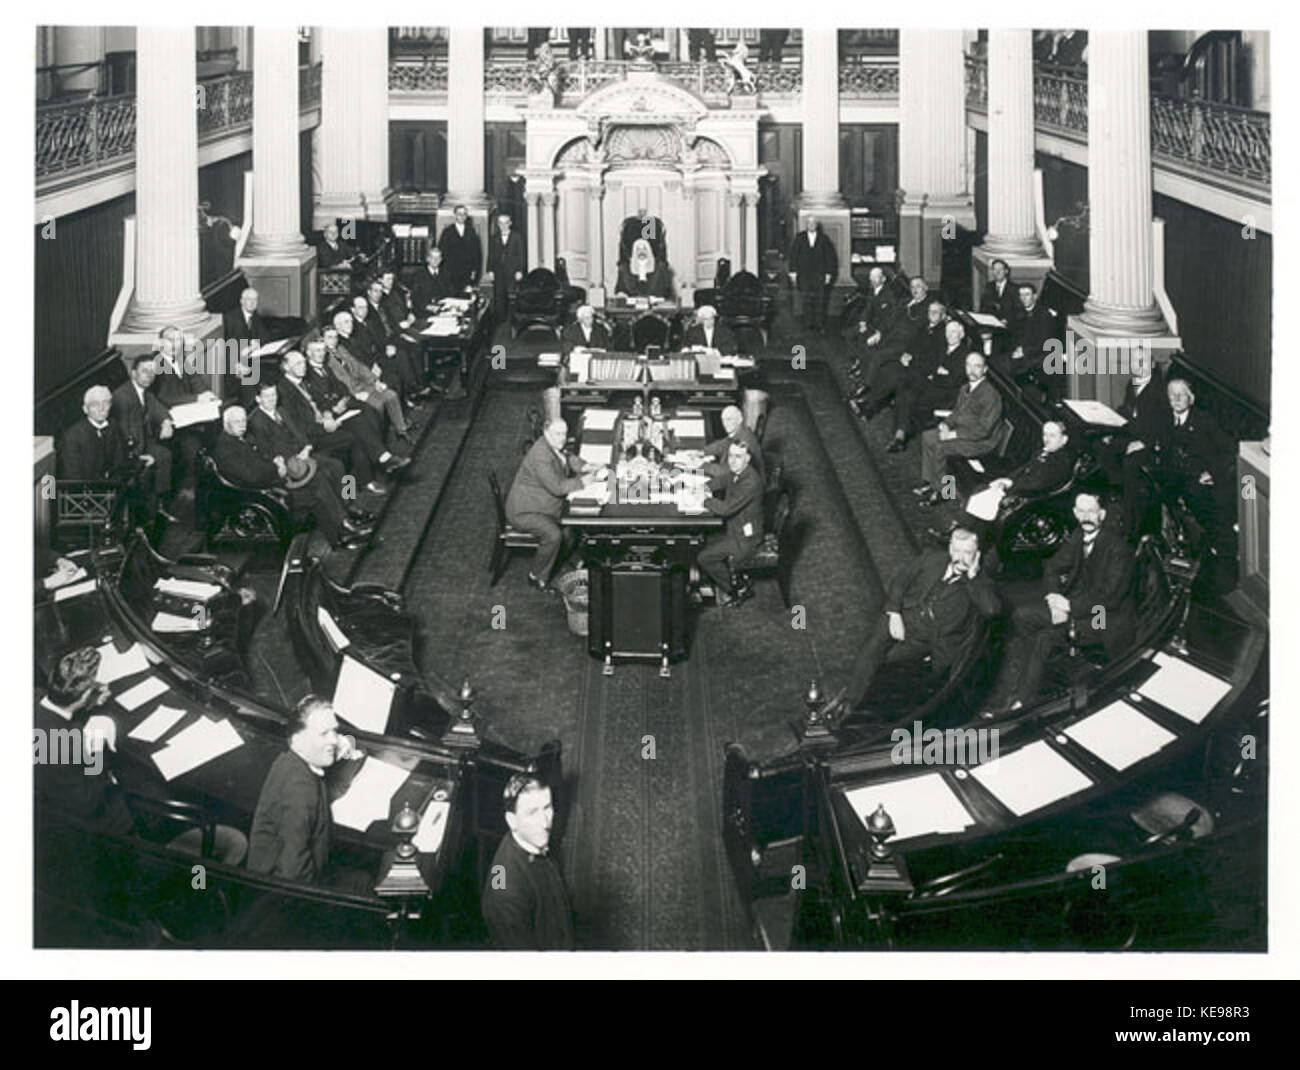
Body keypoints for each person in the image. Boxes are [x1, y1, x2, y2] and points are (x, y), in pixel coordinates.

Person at [36, 645, 247, 863]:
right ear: (86, 695)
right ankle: (190, 874)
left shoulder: (36, 706)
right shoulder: (64, 744)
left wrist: (93, 709)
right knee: (167, 795)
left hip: (59, 808)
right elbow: (88, 801)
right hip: (109, 834)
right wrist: (96, 752)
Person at [987, 492, 1134, 714]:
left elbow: (1109, 599)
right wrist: (1054, 599)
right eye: (1081, 511)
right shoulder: (1077, 535)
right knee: (1021, 616)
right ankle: (1034, 675)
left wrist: (1069, 608)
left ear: (1102, 514)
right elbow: (1052, 567)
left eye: (1091, 512)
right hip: (1071, 605)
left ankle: (1023, 703)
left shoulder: (1118, 548)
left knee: (1045, 638)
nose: (1086, 517)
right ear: (1075, 513)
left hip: (1104, 617)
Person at [844, 528, 999, 708]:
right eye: (956, 551)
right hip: (905, 615)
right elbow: (901, 580)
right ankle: (850, 702)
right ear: (950, 549)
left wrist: (972, 578)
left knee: (888, 663)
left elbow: (991, 610)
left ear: (977, 554)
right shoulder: (931, 559)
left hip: (929, 637)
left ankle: (874, 705)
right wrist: (894, 612)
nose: (961, 558)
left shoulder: (981, 583)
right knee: (873, 647)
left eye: (967, 553)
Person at [213, 405, 369, 550]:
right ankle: (342, 528)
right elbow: (255, 470)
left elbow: (293, 435)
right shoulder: (240, 437)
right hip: (279, 477)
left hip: (297, 459)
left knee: (337, 465)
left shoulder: (272, 417)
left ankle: (349, 505)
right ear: (226, 424)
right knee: (321, 481)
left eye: (243, 421)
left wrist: (300, 449)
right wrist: (278, 465)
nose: (242, 425)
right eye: (237, 422)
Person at [246, 695, 362, 884]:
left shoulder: (291, 759)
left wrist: (344, 742)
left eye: (335, 731)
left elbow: (343, 741)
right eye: (324, 733)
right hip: (285, 894)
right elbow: (294, 873)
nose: (333, 740)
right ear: (297, 740)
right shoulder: (299, 790)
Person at [277, 350, 409, 494]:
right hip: (313, 435)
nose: (303, 366)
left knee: (360, 419)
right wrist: (325, 426)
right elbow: (298, 425)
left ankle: (380, 462)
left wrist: (328, 413)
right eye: (298, 363)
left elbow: (319, 401)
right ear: (287, 367)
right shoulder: (284, 390)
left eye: (303, 361)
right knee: (353, 437)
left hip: (327, 420)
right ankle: (358, 484)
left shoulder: (302, 379)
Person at [480, 774, 575, 950]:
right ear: (512, 820)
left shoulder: (532, 838)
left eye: (547, 807)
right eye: (532, 812)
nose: (545, 822)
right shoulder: (504, 898)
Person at [505, 418, 602, 590]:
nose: (562, 438)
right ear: (546, 433)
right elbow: (557, 487)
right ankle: (536, 576)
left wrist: (585, 466)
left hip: (541, 502)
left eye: (564, 433)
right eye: (558, 434)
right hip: (526, 511)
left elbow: (567, 458)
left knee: (573, 525)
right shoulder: (541, 456)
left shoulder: (552, 444)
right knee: (553, 535)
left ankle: (560, 558)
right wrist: (583, 482)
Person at [914, 352, 1004, 507]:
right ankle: (931, 482)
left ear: (985, 369)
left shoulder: (991, 396)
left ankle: (945, 491)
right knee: (928, 436)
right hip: (964, 432)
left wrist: (953, 434)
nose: (972, 370)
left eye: (977, 366)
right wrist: (946, 424)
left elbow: (984, 430)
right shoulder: (965, 388)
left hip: (981, 442)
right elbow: (956, 413)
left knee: (941, 448)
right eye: (969, 365)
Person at [889, 318, 972, 454]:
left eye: (954, 332)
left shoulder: (965, 355)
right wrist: (937, 371)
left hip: (946, 393)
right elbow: (927, 363)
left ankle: (900, 434)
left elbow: (954, 380)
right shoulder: (941, 347)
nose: (950, 335)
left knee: (909, 396)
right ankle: (900, 434)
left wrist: (934, 374)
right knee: (905, 391)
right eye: (948, 332)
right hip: (931, 385)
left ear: (961, 335)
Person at [696, 441, 764, 607]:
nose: (732, 460)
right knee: (700, 541)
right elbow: (721, 481)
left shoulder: (750, 482)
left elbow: (726, 509)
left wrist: (704, 500)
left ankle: (735, 589)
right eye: (731, 455)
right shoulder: (739, 472)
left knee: (704, 558)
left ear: (747, 459)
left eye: (738, 457)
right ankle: (711, 581)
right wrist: (703, 487)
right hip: (734, 527)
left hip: (744, 538)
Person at [111, 353, 177, 522]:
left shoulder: (145, 392)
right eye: (144, 371)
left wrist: (166, 422)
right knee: (157, 458)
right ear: (133, 373)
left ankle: (160, 506)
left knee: (165, 455)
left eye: (153, 372)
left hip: (144, 442)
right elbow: (126, 434)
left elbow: (159, 409)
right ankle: (147, 514)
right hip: (129, 449)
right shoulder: (123, 396)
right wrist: (139, 456)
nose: (149, 376)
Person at [323, 319, 410, 440]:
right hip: (352, 392)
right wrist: (355, 394)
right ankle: (379, 439)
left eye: (336, 337)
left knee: (391, 395)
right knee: (377, 405)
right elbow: (339, 383)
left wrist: (375, 381)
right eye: (330, 337)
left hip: (363, 384)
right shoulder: (324, 359)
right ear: (323, 340)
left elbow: (359, 367)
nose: (334, 340)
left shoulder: (340, 349)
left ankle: (401, 430)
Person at [59, 385, 130, 482]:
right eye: (95, 404)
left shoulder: (114, 427)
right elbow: (73, 477)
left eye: (105, 403)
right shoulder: (72, 436)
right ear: (85, 409)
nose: (101, 408)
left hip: (113, 489)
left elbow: (120, 464)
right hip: (85, 492)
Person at [788, 215, 837, 333]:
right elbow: (793, 256)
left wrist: (828, 274)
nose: (811, 225)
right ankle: (808, 324)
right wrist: (793, 273)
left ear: (816, 225)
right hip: (804, 275)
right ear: (806, 224)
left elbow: (830, 257)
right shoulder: (799, 238)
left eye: (813, 223)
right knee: (806, 299)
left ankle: (819, 325)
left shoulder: (824, 239)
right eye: (809, 223)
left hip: (819, 275)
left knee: (820, 300)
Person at [697, 404, 764, 483]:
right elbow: (721, 445)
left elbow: (729, 471)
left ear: (740, 419)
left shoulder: (744, 440)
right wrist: (701, 452)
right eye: (723, 420)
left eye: (729, 419)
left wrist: (702, 465)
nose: (725, 423)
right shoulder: (739, 432)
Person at [486, 213, 527, 319]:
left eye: (506, 223)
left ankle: (513, 318)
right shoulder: (494, 237)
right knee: (499, 296)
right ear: (498, 224)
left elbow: (521, 255)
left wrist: (520, 270)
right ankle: (500, 321)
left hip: (512, 271)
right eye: (500, 223)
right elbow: (490, 255)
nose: (503, 225)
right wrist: (490, 270)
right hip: (498, 271)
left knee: (512, 295)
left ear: (510, 223)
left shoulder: (517, 237)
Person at [437, 204, 482, 292]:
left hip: (466, 273)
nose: (462, 216)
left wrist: (475, 271)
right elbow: (442, 253)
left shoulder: (472, 232)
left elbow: (477, 254)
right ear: (455, 215)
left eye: (464, 214)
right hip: (451, 273)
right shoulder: (447, 232)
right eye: (459, 214)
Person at [410, 247, 458, 314]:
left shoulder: (446, 274)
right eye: (433, 257)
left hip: (444, 310)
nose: (436, 260)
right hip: (424, 312)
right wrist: (427, 306)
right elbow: (414, 297)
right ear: (428, 259)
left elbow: (451, 292)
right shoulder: (419, 275)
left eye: (438, 258)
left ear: (441, 260)